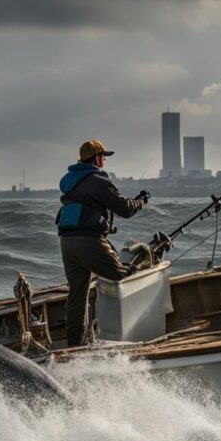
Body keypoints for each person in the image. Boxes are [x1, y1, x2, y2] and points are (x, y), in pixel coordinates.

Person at [56, 139, 150, 346]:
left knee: (77, 295)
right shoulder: (98, 181)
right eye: (103, 157)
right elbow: (124, 209)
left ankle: (74, 345)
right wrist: (141, 200)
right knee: (121, 274)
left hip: (67, 243)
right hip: (88, 241)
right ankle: (134, 329)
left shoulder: (71, 182)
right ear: (97, 158)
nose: (104, 161)